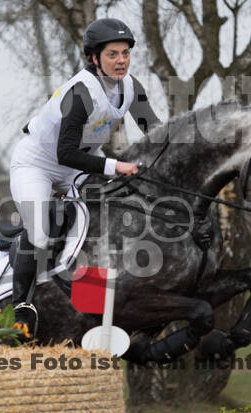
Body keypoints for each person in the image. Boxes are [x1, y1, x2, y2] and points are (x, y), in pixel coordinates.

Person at [9, 18, 161, 334]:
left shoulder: (132, 87)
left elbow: (156, 133)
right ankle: (21, 306)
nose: (121, 61)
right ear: (94, 58)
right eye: (113, 55)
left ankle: (93, 305)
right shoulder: (81, 92)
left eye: (125, 54)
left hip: (79, 166)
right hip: (36, 165)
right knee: (39, 233)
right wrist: (114, 166)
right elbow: (65, 154)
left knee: (105, 220)